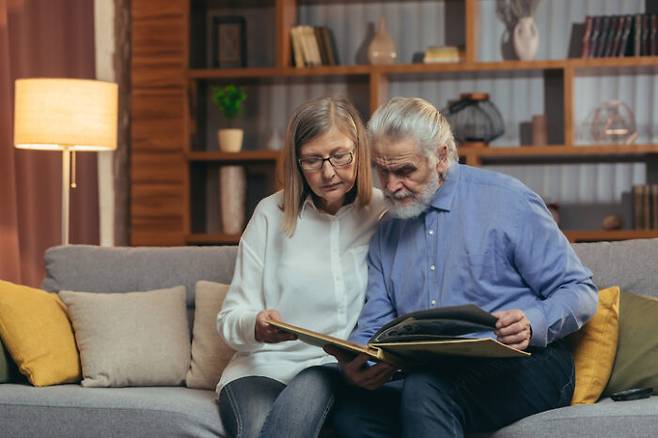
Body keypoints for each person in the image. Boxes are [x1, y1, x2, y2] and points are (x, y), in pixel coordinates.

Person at [327, 97, 598, 437]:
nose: (391, 186)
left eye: (405, 170)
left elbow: (580, 291)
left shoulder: (508, 201)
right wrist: (358, 363)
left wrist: (533, 322)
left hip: (526, 362)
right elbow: (376, 323)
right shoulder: (387, 232)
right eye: (382, 170)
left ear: (441, 156)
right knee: (351, 414)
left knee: (426, 390)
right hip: (433, 372)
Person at [216, 96, 387, 438]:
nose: (328, 172)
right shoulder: (270, 214)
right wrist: (256, 325)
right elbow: (230, 318)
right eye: (312, 160)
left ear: (359, 150)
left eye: (340, 156)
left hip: (329, 369)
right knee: (253, 430)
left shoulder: (382, 213)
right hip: (260, 367)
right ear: (297, 163)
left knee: (311, 388)